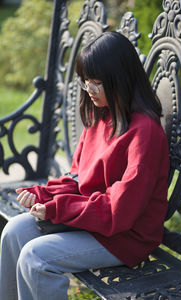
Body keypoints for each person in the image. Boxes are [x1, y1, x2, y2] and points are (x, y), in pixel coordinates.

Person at [0, 31, 169, 300]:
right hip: (93, 220)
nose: (89, 89)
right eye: (85, 81)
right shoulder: (100, 116)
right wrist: (43, 195)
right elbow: (78, 177)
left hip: (126, 236)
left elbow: (119, 212)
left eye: (96, 82)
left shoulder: (144, 132)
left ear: (120, 81)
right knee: (14, 232)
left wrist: (57, 208)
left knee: (37, 258)